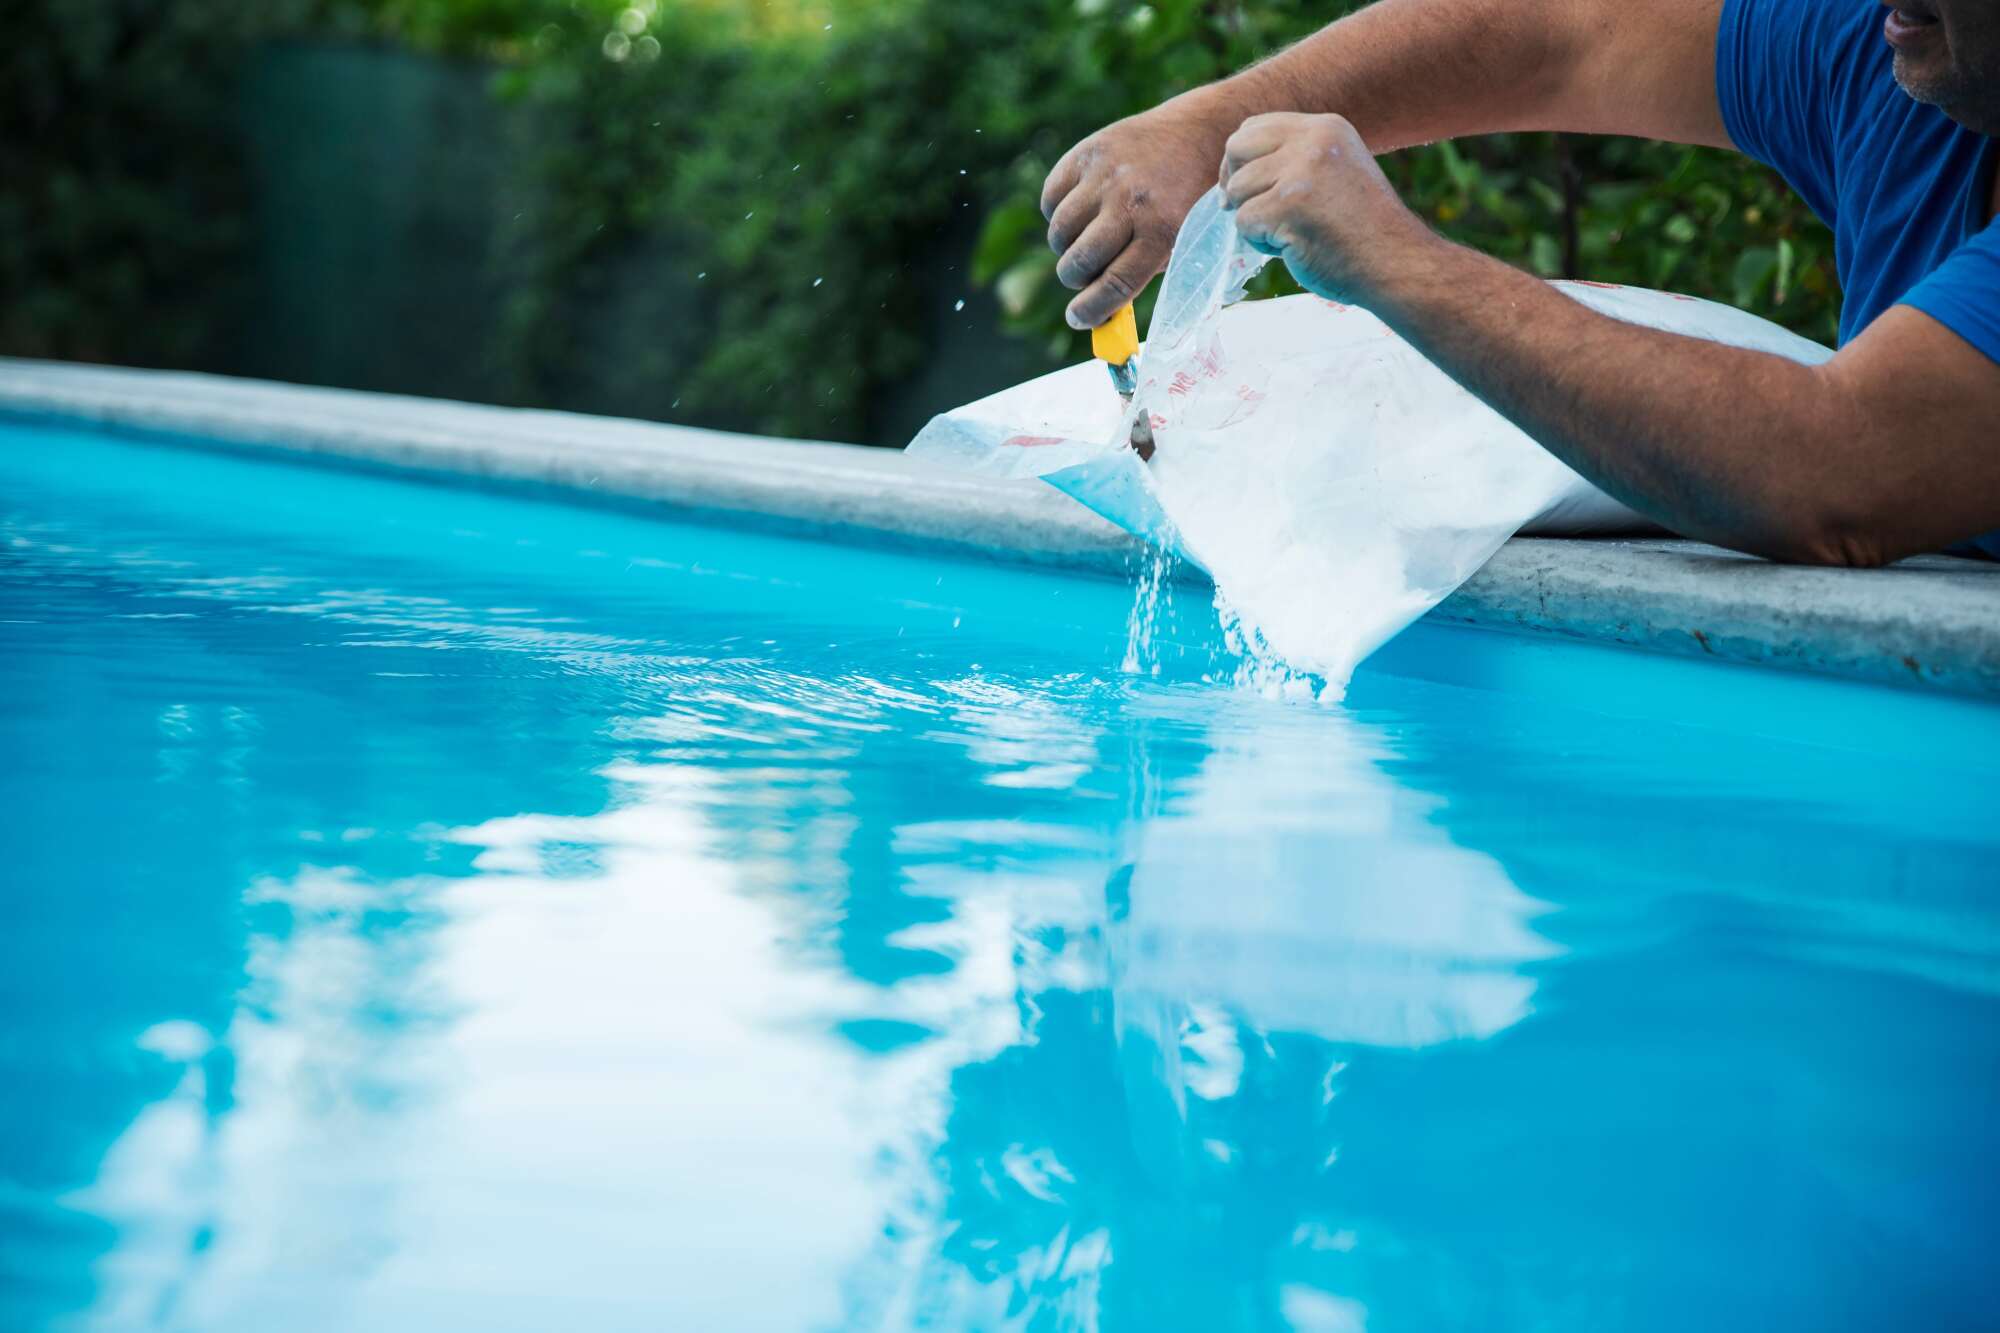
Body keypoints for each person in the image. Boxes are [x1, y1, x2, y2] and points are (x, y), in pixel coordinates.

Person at [1039, 0, 2000, 566]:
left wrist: (1385, 254)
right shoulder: (1898, 52)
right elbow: (1560, 33)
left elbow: (1838, 472)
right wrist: (1207, 127)